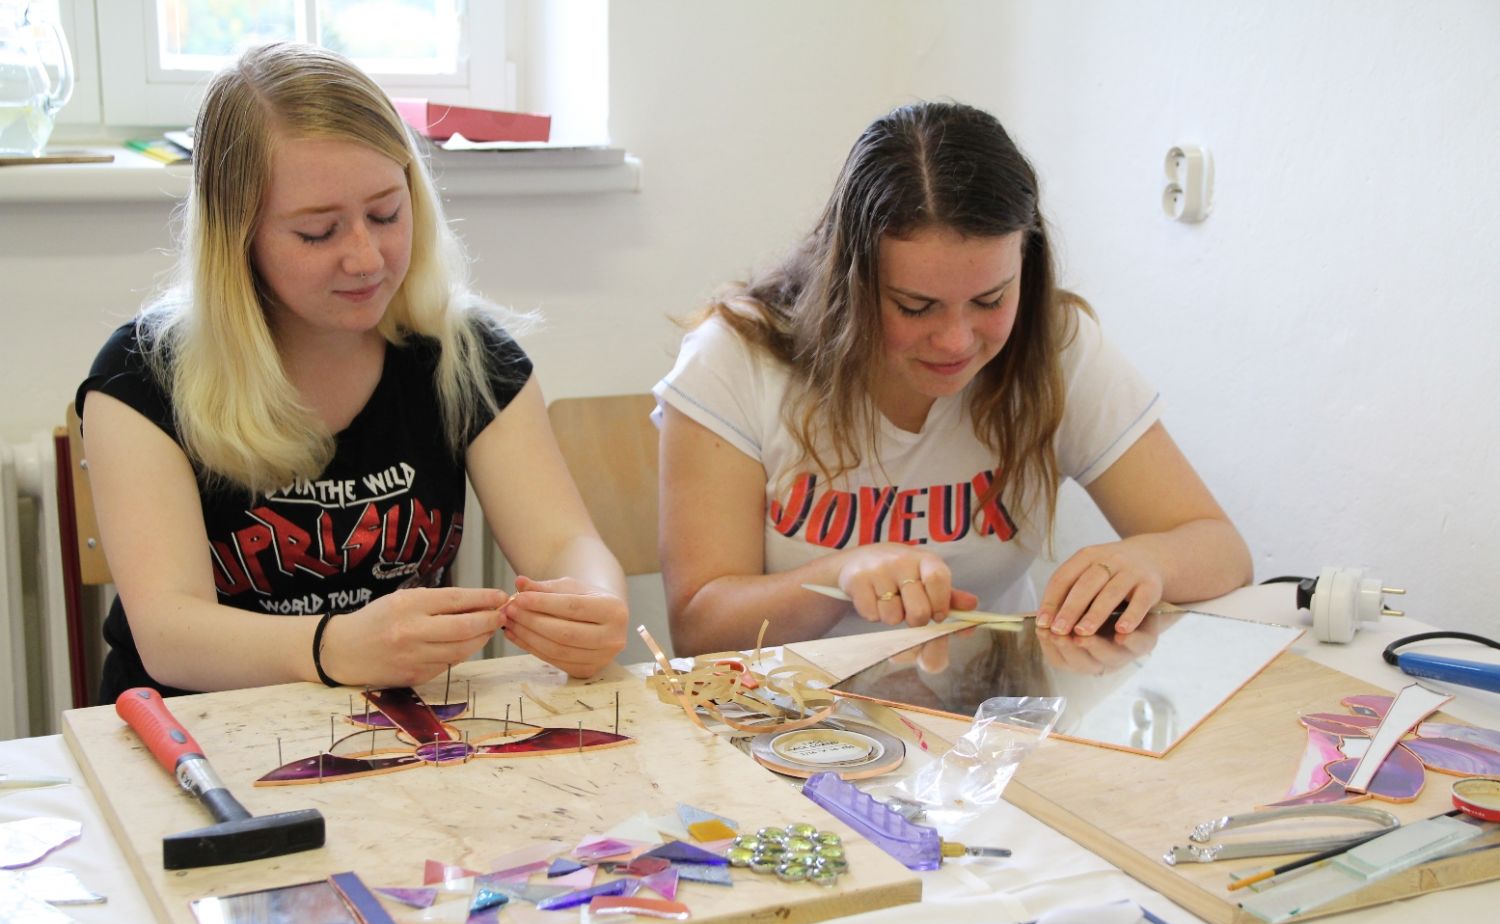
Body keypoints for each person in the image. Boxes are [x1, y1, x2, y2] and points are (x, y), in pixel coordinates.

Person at [78, 42, 628, 702]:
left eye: (386, 213)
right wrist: (336, 645)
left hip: (391, 724)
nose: (366, 258)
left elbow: (563, 543)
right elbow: (170, 635)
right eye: (318, 232)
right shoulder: (141, 376)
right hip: (188, 729)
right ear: (238, 238)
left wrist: (593, 602)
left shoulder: (466, 355)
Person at [655, 101, 1251, 656]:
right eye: (915, 307)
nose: (956, 341)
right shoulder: (736, 357)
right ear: (850, 284)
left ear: (1026, 265)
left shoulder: (1055, 344)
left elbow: (1221, 549)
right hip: (789, 710)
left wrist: (1150, 561)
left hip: (992, 703)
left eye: (990, 300)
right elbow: (698, 630)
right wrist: (838, 576)